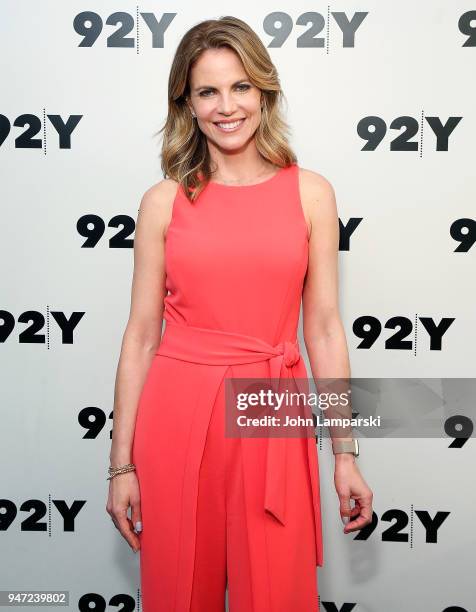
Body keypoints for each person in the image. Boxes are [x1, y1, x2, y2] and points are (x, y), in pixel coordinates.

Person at [106, 15, 373, 612]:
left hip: (269, 407)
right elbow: (141, 336)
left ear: (264, 92)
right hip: (176, 414)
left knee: (277, 595)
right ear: (188, 104)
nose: (227, 106)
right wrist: (120, 465)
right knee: (179, 594)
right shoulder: (163, 202)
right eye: (208, 91)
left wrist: (345, 453)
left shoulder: (311, 193)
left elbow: (325, 327)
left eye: (240, 87)